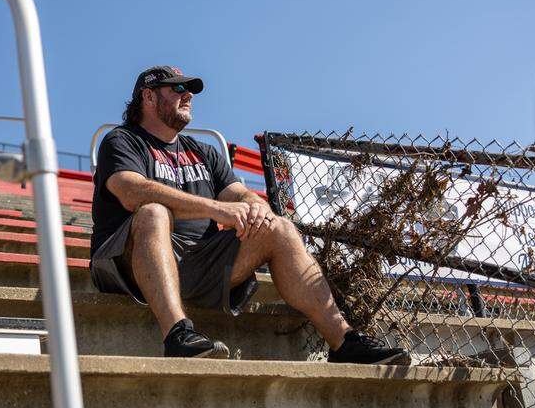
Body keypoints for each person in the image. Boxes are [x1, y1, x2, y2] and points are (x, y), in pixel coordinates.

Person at [90, 65, 410, 364]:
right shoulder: (122, 140)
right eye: (177, 89)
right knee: (153, 213)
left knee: (279, 228)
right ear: (148, 96)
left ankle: (344, 342)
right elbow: (131, 191)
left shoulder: (202, 151)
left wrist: (255, 209)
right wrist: (217, 209)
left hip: (197, 264)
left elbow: (238, 194)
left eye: (189, 90)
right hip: (132, 264)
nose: (188, 95)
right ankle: (177, 334)